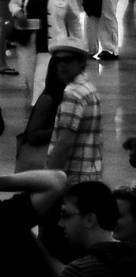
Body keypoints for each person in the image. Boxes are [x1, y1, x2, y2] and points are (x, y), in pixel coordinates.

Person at [6, 0, 85, 111]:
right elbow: (13, 3)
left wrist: (80, 45)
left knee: (41, 80)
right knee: (30, 78)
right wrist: (18, 12)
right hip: (28, 43)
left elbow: (73, 19)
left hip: (52, 43)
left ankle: (39, 111)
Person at [44, 39, 102, 184]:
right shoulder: (89, 88)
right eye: (58, 60)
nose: (62, 64)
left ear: (82, 62)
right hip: (90, 174)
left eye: (68, 60)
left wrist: (47, 179)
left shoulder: (73, 94)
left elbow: (64, 143)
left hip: (72, 178)